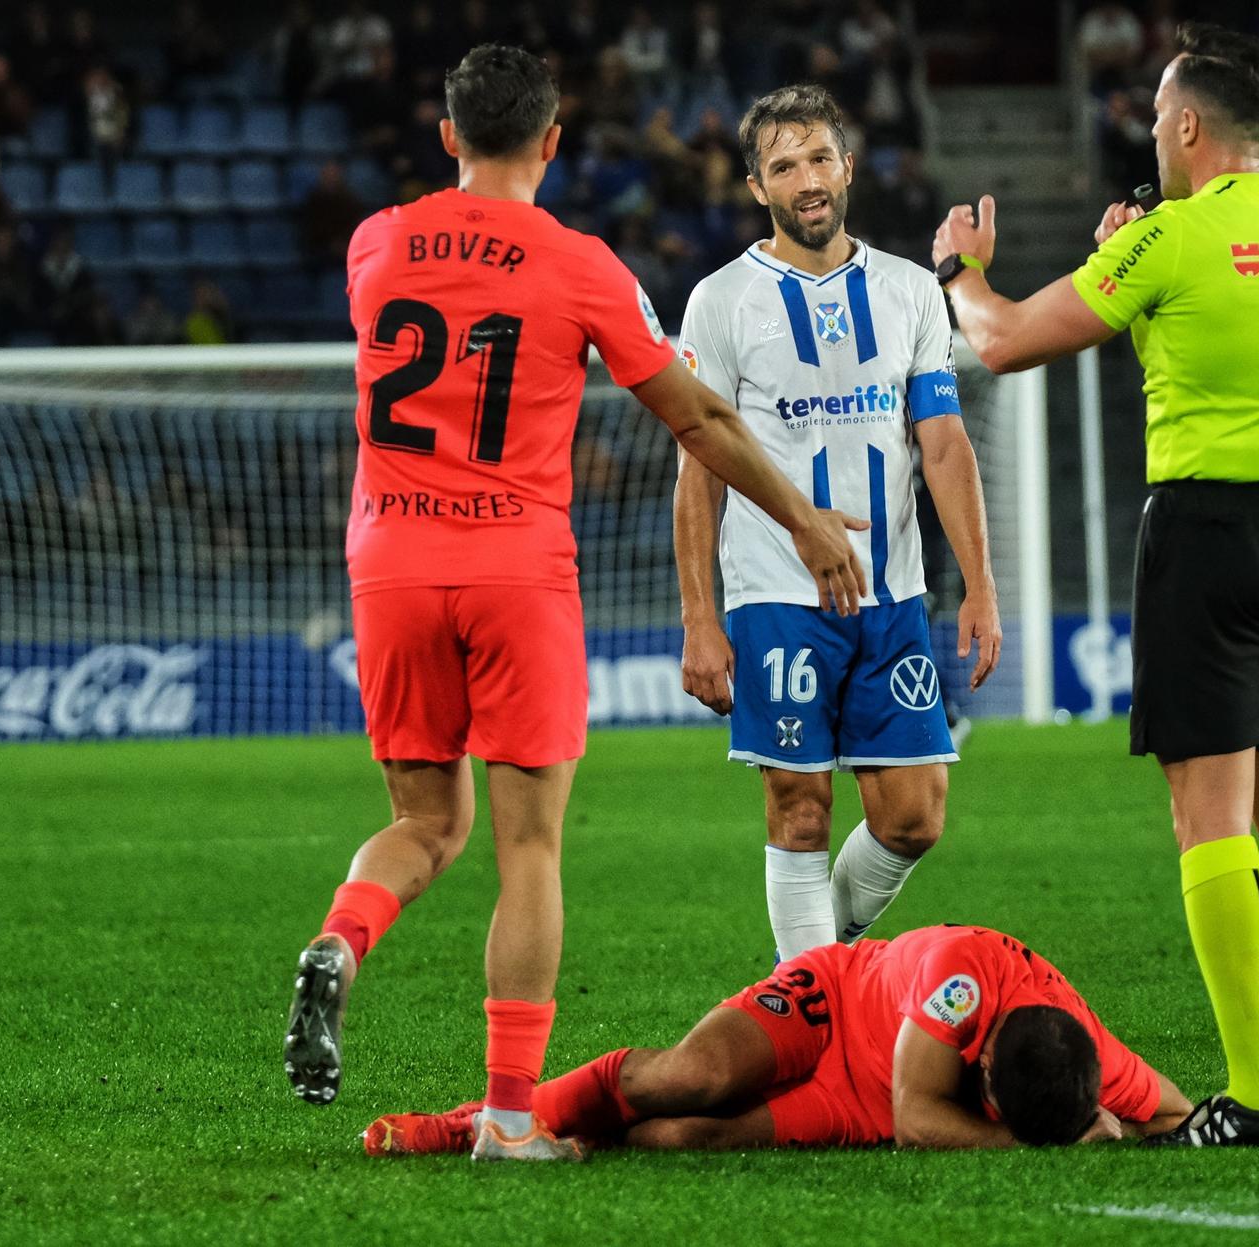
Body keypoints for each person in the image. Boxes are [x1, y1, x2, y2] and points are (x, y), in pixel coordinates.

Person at [282, 43, 871, 1164]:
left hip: (389, 563)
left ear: (447, 135)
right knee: (527, 848)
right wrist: (799, 516)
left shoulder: (376, 243)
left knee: (426, 823)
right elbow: (694, 418)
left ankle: (342, 939)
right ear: (553, 142)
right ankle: (510, 1118)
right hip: (515, 567)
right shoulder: (580, 264)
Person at [929, 22, 1259, 1146]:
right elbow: (1227, 342)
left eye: (1159, 118)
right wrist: (1140, 273)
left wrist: (960, 271)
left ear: (1186, 125)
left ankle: (1255, 1090)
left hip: (1208, 534)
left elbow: (1001, 341)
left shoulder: (1170, 239)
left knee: (1207, 815)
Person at [673, 85, 1000, 964]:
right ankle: (814, 1005)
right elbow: (698, 471)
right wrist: (700, 617)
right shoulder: (721, 301)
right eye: (785, 166)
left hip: (893, 596)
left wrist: (980, 583)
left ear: (848, 167)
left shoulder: (909, 291)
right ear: (757, 187)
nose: (808, 179)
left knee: (914, 816)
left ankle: (813, 967)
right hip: (776, 595)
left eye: (820, 157)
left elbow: (944, 445)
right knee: (800, 812)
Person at [362, 923, 1191, 1155]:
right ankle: (472, 1122)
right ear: (986, 1054)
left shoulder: (1095, 1053)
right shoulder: (963, 980)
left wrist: (1117, 1124)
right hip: (838, 1006)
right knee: (693, 1076)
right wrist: (1032, 1143)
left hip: (857, 1105)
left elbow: (1176, 1112)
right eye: (989, 1099)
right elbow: (916, 1117)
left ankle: (576, 1134)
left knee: (682, 1136)